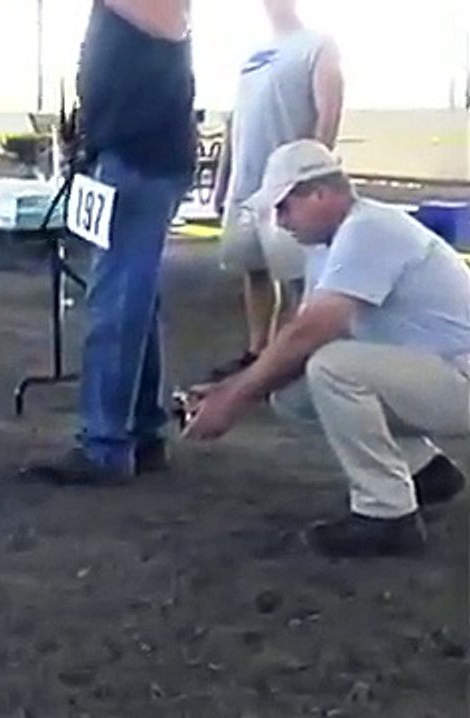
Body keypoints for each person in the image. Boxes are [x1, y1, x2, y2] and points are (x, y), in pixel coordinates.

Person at [185, 140, 470, 558]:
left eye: (284, 208)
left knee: (333, 367)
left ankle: (387, 516)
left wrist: (234, 398)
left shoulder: (370, 229)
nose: (281, 222)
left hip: (461, 374)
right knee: (294, 390)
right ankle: (424, 473)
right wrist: (235, 387)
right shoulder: (330, 244)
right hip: (445, 371)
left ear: (319, 193)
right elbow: (301, 337)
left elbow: (313, 332)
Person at [24, 0, 197, 484]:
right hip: (132, 155)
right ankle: (141, 432)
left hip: (138, 158)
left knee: (117, 299)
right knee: (133, 297)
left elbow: (166, 19)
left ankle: (104, 445)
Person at [210, 0, 344, 380]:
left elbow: (328, 111)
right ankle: (257, 353)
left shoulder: (318, 45)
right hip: (246, 185)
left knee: (293, 278)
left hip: (288, 185)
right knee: (252, 269)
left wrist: (312, 176)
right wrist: (223, 183)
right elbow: (235, 123)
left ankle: (284, 363)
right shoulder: (253, 55)